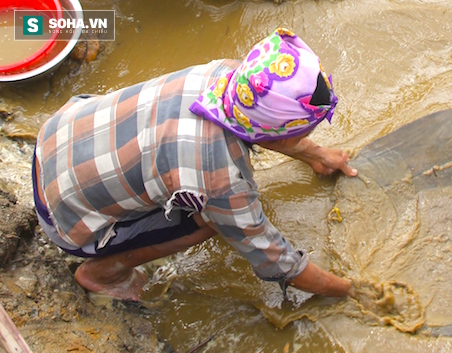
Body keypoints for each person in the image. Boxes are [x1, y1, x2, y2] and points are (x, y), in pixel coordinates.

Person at [32, 28, 357, 302]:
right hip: (64, 215)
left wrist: (317, 155)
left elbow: (269, 129)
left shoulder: (231, 76)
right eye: (304, 132)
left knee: (201, 196)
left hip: (57, 135)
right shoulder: (219, 179)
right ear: (279, 136)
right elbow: (276, 259)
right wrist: (350, 290)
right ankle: (103, 273)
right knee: (205, 219)